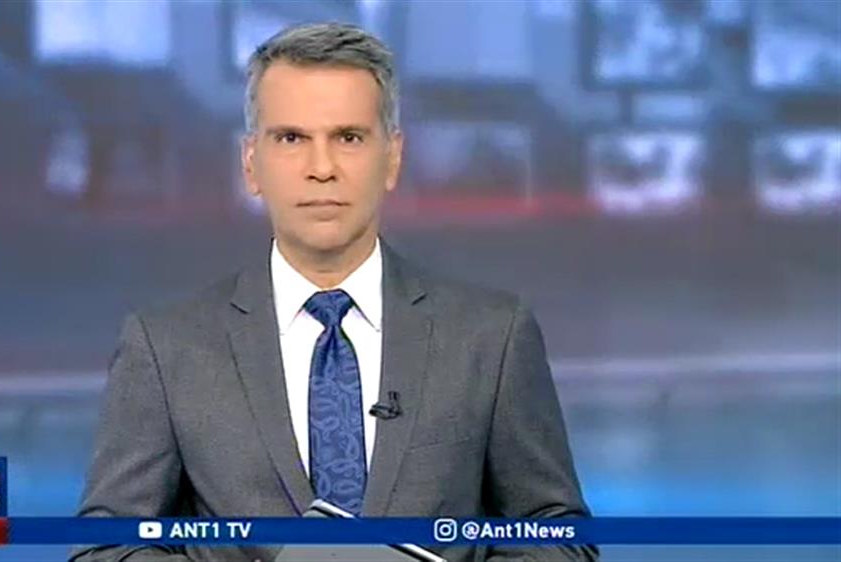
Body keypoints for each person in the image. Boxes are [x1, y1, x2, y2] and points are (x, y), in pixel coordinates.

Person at [72, 22, 598, 562]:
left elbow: (559, 537)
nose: (321, 169)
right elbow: (106, 550)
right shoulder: (165, 349)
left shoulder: (492, 337)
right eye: (291, 139)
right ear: (251, 163)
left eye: (348, 138)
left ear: (392, 157)